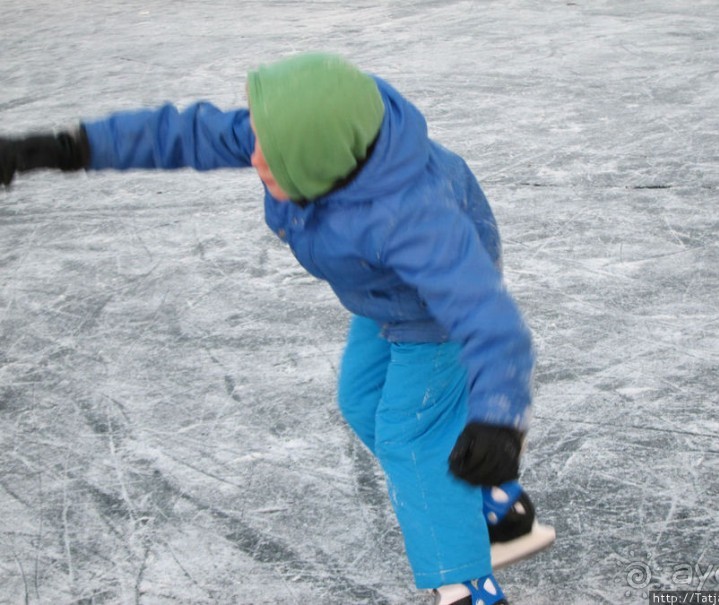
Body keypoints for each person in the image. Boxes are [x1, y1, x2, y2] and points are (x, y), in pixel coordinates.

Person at [0, 52, 554, 604]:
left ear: (321, 161)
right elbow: (184, 134)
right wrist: (70, 148)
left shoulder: (411, 218)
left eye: (271, 152)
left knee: (409, 437)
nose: (255, 156)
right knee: (361, 401)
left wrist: (498, 421)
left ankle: (467, 586)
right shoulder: (308, 137)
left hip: (438, 313)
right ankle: (495, 502)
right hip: (382, 294)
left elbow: (488, 316)